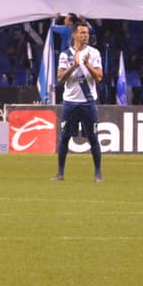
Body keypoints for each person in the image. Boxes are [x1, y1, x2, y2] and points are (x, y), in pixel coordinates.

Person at [53, 22, 104, 182]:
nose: (85, 36)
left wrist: (87, 64)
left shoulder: (94, 53)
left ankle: (98, 174)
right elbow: (60, 78)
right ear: (74, 35)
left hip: (88, 102)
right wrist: (74, 66)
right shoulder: (65, 55)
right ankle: (60, 173)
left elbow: (99, 77)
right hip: (70, 102)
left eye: (87, 33)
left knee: (93, 138)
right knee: (65, 138)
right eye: (82, 33)